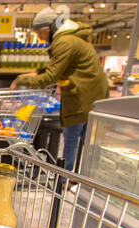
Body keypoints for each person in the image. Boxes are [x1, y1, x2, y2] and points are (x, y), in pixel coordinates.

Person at [10, 7, 109, 172]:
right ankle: (91, 177)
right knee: (90, 142)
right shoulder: (71, 38)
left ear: (47, 29)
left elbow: (51, 76)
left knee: (71, 138)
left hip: (81, 97)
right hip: (91, 95)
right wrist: (34, 73)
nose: (40, 38)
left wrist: (21, 80)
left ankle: (64, 178)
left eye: (39, 33)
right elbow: (59, 68)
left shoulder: (63, 42)